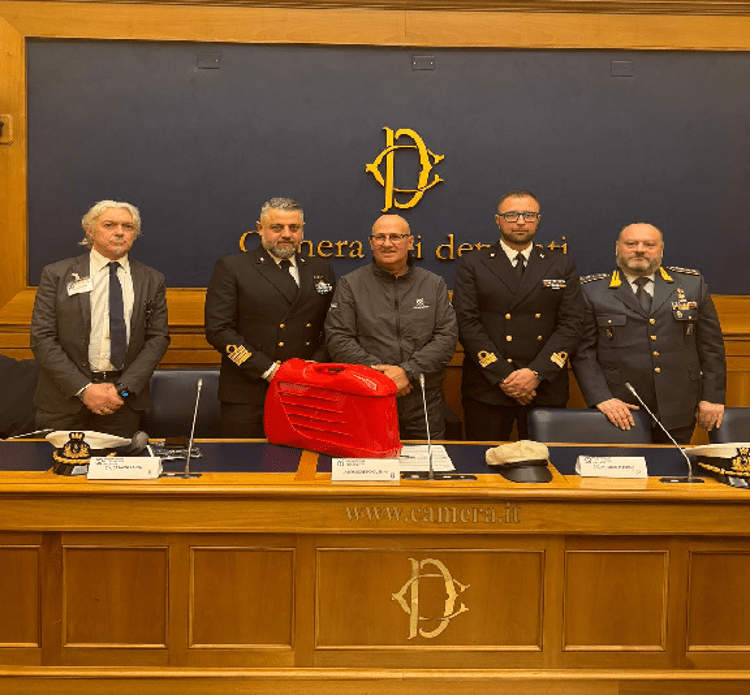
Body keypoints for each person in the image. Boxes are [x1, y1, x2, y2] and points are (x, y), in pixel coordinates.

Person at [572, 223, 726, 444]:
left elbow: (711, 347)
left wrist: (712, 397)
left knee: (673, 465)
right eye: (631, 243)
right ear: (617, 248)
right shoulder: (592, 290)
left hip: (679, 404)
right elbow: (583, 352)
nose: (640, 250)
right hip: (619, 407)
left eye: (649, 244)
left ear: (661, 249)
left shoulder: (692, 284)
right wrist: (602, 398)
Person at [30, 200, 170, 437]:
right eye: (109, 225)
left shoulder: (151, 279)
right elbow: (42, 338)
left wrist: (122, 391)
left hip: (122, 403)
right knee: (59, 462)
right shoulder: (57, 274)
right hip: (63, 401)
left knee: (117, 461)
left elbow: (158, 339)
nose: (119, 232)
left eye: (128, 226)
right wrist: (84, 390)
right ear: (90, 230)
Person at [453, 190, 584, 441]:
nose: (520, 221)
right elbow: (466, 323)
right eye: (511, 215)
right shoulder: (473, 263)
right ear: (498, 220)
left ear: (538, 219)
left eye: (528, 215)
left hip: (544, 387)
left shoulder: (561, 264)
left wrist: (535, 374)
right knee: (484, 460)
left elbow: (572, 323)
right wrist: (504, 376)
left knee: (545, 463)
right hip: (489, 386)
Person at [205, 197, 335, 438]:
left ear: (302, 229)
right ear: (260, 228)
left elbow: (332, 327)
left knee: (302, 459)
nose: (286, 234)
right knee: (245, 461)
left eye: (294, 227)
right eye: (277, 227)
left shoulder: (320, 269)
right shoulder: (233, 268)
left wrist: (312, 367)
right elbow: (219, 330)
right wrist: (268, 369)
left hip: (307, 388)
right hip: (249, 392)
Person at [325, 214, 458, 439]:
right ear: (371, 242)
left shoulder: (433, 284)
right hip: (367, 396)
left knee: (427, 460)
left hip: (423, 399)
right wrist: (383, 378)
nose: (387, 243)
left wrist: (408, 372)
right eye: (380, 237)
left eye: (395, 236)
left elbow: (446, 337)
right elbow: (338, 339)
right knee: (368, 461)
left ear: (410, 242)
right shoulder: (350, 284)